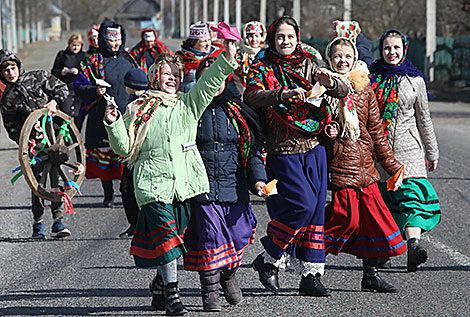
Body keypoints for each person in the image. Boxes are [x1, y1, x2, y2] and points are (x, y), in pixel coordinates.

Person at [104, 40, 238, 315]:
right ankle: (173, 297)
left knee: (177, 242)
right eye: (168, 75)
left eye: (177, 76)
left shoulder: (188, 105)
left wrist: (227, 58)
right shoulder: (138, 109)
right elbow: (124, 149)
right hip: (152, 186)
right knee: (167, 240)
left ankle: (159, 284)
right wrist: (113, 123)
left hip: (184, 185)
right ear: (155, 77)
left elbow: (209, 84)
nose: (173, 80)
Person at [243, 16, 348, 297]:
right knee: (300, 206)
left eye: (290, 37)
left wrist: (331, 82)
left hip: (314, 148)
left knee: (315, 214)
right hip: (282, 150)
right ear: (272, 39)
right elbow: (251, 96)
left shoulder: (309, 61)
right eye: (280, 37)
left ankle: (310, 276)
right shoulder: (261, 65)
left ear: (297, 37)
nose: (285, 42)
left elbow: (344, 89)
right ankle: (269, 258)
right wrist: (282, 94)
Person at [322, 36, 406, 293]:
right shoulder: (321, 87)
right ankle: (304, 251)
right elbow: (312, 125)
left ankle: (371, 275)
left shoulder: (365, 88)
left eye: (347, 56)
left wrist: (392, 165)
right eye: (337, 56)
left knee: (376, 221)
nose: (342, 60)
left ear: (355, 58)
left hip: (366, 168)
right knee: (346, 219)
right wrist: (326, 133)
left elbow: (376, 132)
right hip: (341, 167)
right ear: (329, 59)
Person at [182, 56, 267, 311]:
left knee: (239, 235)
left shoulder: (239, 111)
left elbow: (251, 152)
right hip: (201, 188)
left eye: (219, 77)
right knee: (211, 238)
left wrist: (259, 179)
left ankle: (228, 276)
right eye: (208, 77)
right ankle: (210, 291)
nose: (214, 82)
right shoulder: (188, 111)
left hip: (234, 187)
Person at [370, 30, 441, 272]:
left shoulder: (415, 80)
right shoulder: (371, 78)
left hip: (409, 150)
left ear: (404, 49)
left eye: (396, 48)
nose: (392, 52)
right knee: (386, 202)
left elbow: (424, 119)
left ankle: (413, 246)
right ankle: (384, 250)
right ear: (381, 50)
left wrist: (432, 153)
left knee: (413, 198)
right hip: (380, 152)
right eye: (387, 48)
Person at [0, 49, 71, 239]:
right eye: (5, 70)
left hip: (56, 138)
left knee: (56, 178)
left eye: (13, 67)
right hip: (34, 145)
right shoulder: (7, 98)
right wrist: (27, 138)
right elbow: (12, 128)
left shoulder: (38, 77)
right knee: (37, 182)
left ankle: (58, 221)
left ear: (19, 66)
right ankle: (38, 224)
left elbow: (62, 88)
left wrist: (54, 102)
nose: (10, 72)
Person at [74, 21, 135, 207]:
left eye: (118, 40)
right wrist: (95, 90)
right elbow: (78, 86)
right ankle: (108, 193)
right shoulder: (92, 61)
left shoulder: (130, 59)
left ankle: (128, 194)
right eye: (111, 41)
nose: (115, 44)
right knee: (105, 157)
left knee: (128, 157)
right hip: (101, 117)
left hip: (128, 115)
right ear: (103, 40)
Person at [118, 68, 148, 238]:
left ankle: (140, 224)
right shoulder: (131, 100)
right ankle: (135, 224)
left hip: (140, 154)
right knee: (127, 188)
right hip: (132, 153)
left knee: (131, 189)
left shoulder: (139, 103)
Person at [176, 22, 224, 92]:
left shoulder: (217, 55)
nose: (207, 44)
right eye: (203, 41)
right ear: (193, 42)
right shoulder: (182, 58)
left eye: (209, 40)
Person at [51, 33, 87, 129]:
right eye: (74, 45)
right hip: (66, 88)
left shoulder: (84, 56)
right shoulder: (62, 55)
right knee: (65, 115)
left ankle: (77, 139)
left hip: (79, 90)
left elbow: (88, 73)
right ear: (69, 44)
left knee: (79, 117)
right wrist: (61, 72)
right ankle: (66, 139)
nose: (75, 48)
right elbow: (53, 71)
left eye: (78, 45)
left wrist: (78, 72)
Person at [233, 21, 267, 97]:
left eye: (257, 36)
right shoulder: (239, 54)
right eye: (251, 36)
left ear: (262, 37)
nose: (254, 39)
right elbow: (236, 76)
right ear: (246, 37)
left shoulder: (266, 53)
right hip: (240, 91)